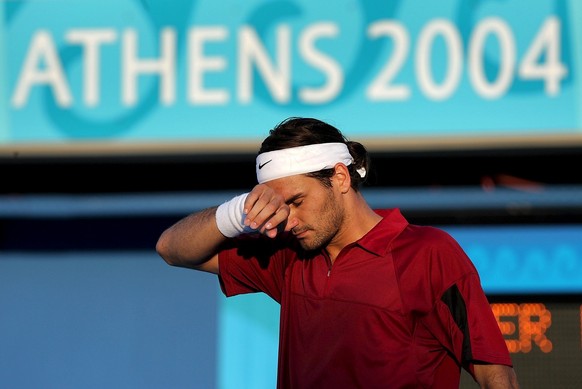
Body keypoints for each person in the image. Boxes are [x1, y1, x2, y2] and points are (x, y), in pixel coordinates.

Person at [156, 117, 519, 388]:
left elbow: (494, 374)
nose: (289, 218)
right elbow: (172, 249)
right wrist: (239, 213)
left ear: (341, 178)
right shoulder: (287, 254)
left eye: (297, 201)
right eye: (280, 206)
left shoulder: (429, 253)